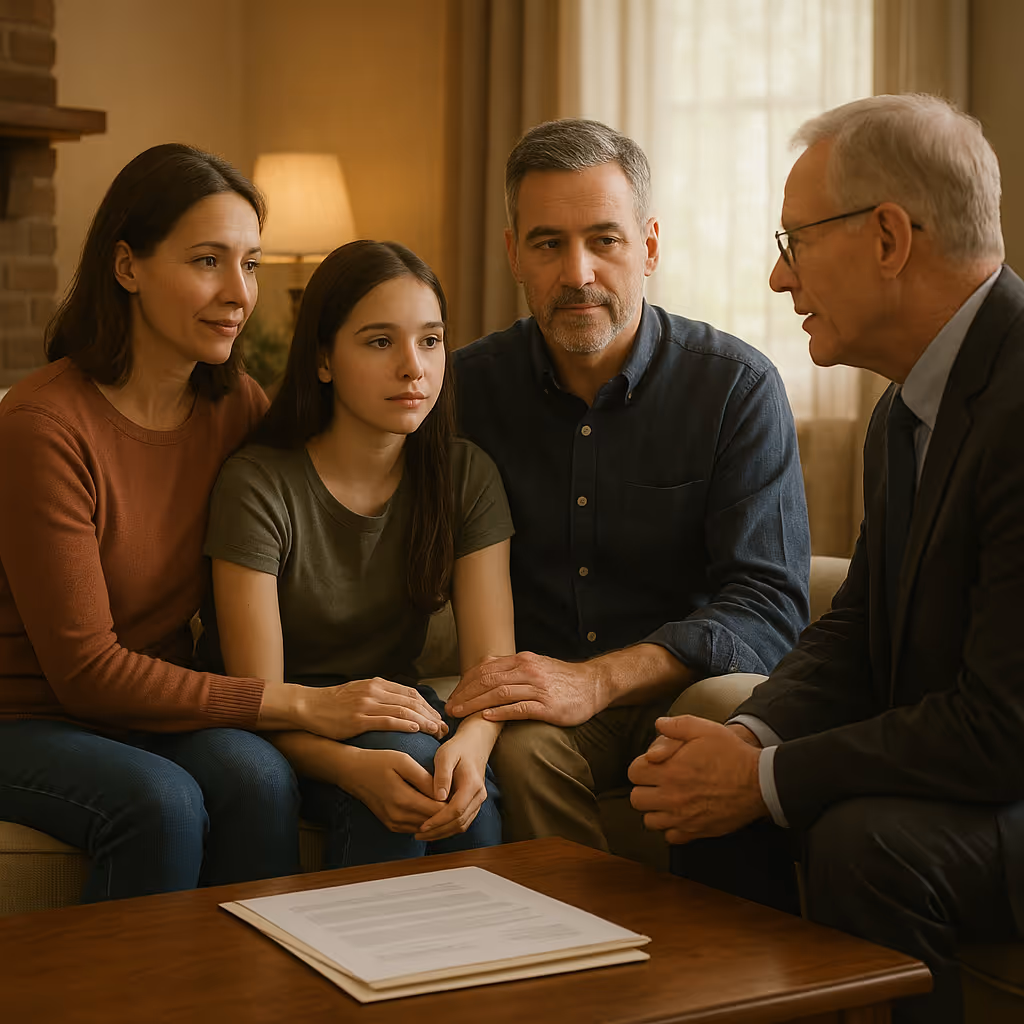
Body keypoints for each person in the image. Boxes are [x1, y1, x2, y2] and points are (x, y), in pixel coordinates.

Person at [628, 94, 1024, 1024]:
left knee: (862, 843)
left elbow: (1002, 730)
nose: (777, 278)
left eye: (795, 241)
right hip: (986, 769)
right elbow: (856, 628)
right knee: (703, 799)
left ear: (889, 237)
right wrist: (743, 746)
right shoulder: (902, 414)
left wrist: (763, 779)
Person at [447, 118, 811, 850]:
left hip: (684, 689)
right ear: (514, 253)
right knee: (524, 749)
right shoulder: (462, 390)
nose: (577, 272)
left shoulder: (735, 388)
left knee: (731, 709)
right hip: (535, 704)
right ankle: (581, 952)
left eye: (603, 240)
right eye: (549, 243)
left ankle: (726, 956)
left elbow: (771, 607)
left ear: (647, 245)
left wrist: (599, 681)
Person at [0, 143, 317, 901]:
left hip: (155, 704)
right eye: (208, 261)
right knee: (160, 803)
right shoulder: (42, 424)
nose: (239, 294)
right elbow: (87, 676)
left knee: (259, 776)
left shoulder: (237, 404)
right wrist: (299, 703)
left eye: (251, 265)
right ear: (127, 267)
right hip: (23, 715)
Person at [204, 240, 513, 867]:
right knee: (399, 779)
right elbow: (258, 694)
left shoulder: (465, 474)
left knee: (454, 793)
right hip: (274, 726)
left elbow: (490, 669)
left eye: (430, 341)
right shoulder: (260, 483)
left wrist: (473, 748)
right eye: (380, 342)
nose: (413, 368)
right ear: (323, 359)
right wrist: (352, 766)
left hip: (392, 717)